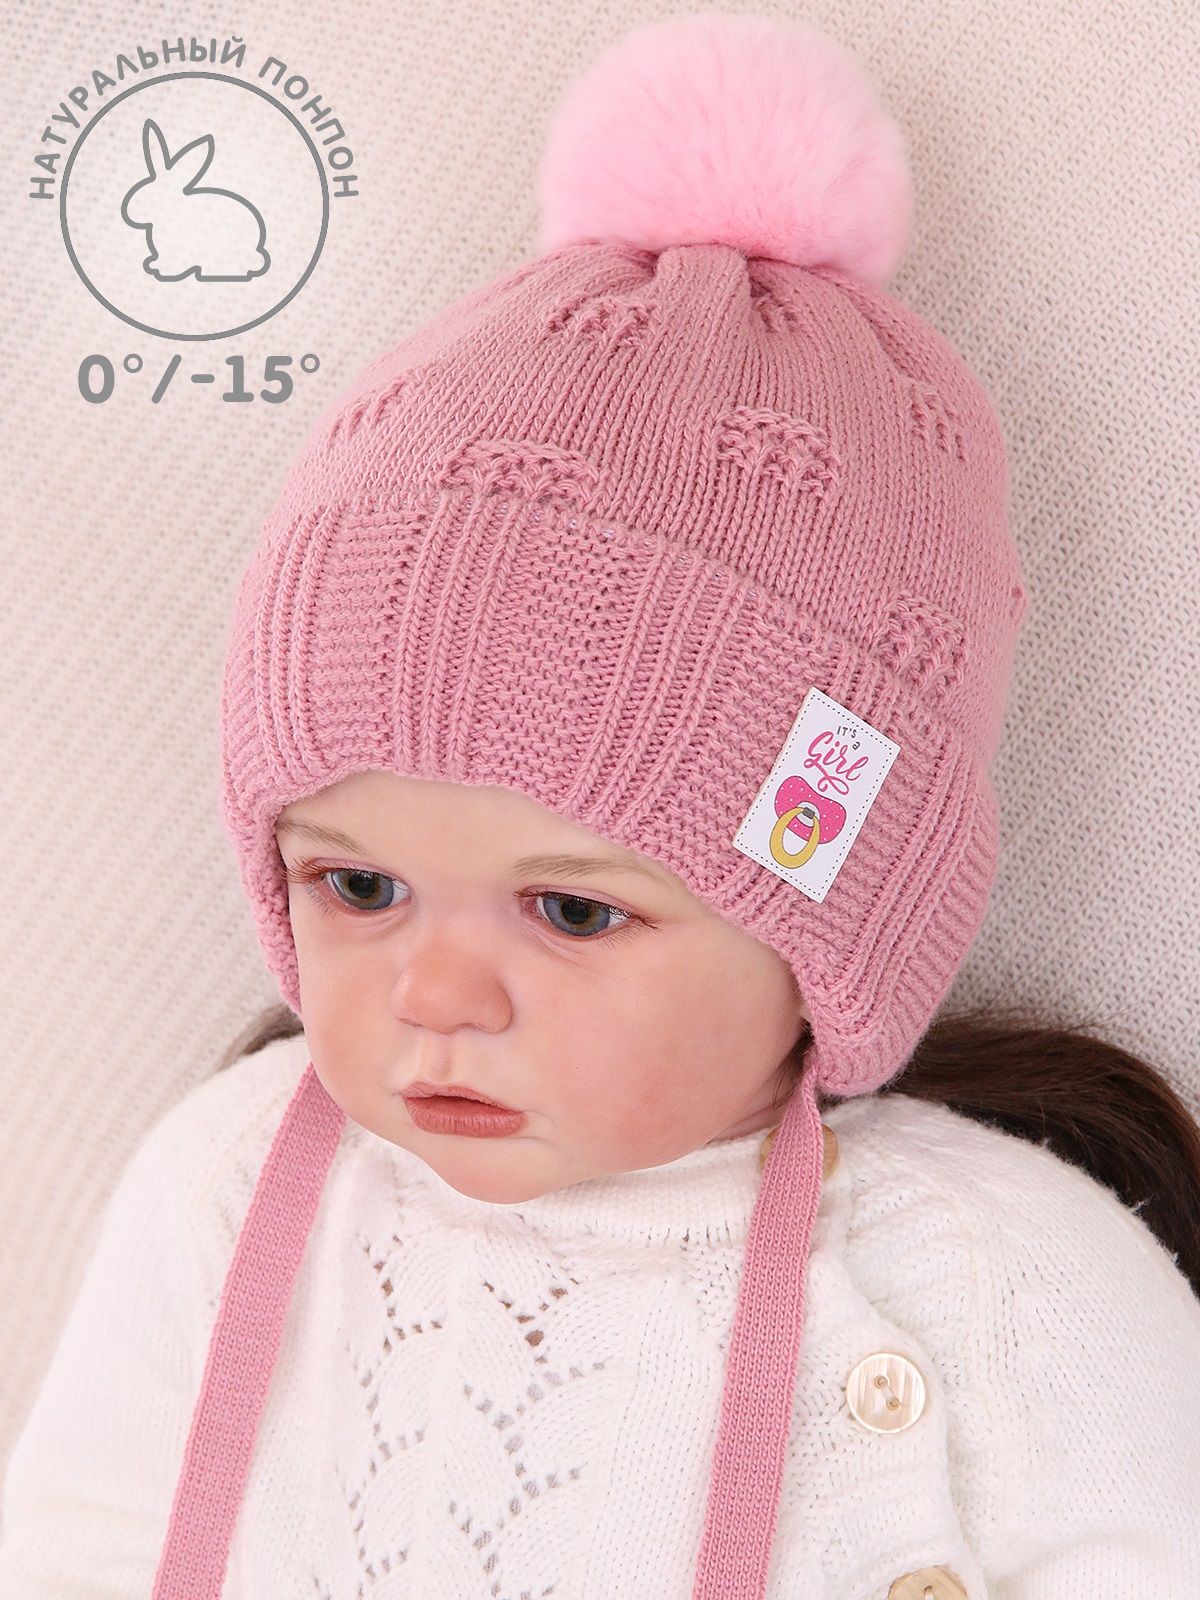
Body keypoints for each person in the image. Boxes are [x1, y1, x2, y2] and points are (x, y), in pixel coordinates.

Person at [3, 11, 1199, 1598]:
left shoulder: (1000, 1275)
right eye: (358, 888)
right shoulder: (229, 1180)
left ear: (824, 913)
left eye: (572, 909)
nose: (434, 994)